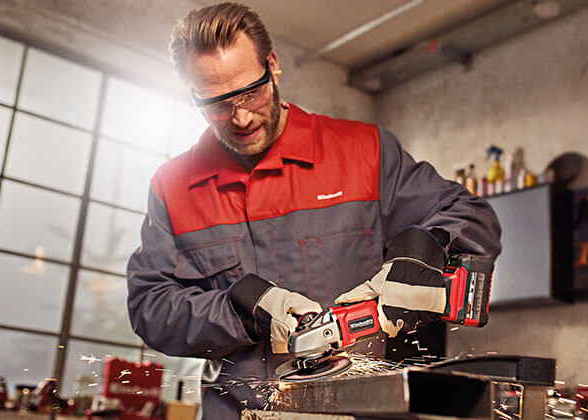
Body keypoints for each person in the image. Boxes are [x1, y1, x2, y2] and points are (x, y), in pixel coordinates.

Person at [127, 2, 501, 418]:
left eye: (252, 91)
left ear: (272, 65)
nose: (242, 116)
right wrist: (238, 310)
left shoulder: (363, 152)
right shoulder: (172, 186)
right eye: (217, 104)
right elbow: (150, 307)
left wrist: (425, 248)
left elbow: (469, 213)